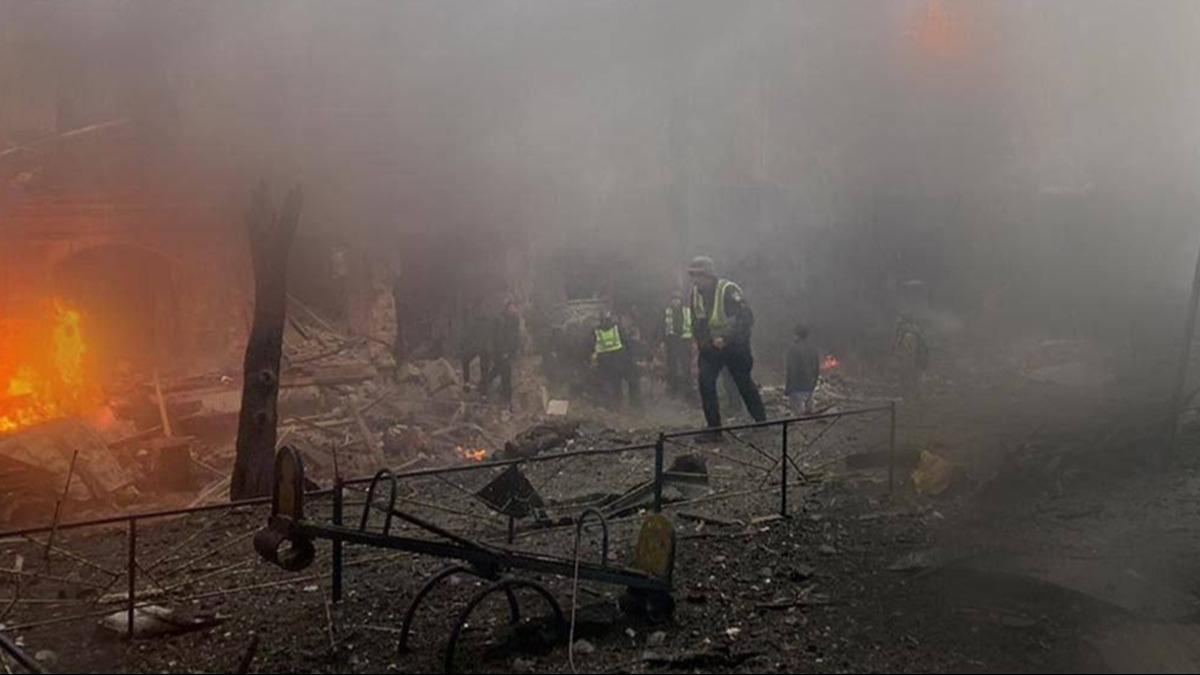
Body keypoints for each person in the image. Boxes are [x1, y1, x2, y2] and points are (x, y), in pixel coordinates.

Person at [687, 255, 766, 430]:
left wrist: (726, 339)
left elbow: (746, 319)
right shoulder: (695, 295)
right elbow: (696, 321)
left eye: (699, 276)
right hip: (711, 348)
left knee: (743, 383)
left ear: (709, 275)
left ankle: (762, 422)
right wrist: (702, 342)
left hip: (735, 347)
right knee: (705, 384)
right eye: (693, 276)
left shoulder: (728, 290)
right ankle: (714, 429)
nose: (696, 280)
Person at [592, 311, 641, 409]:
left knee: (614, 384)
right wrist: (633, 356)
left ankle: (616, 405)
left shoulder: (595, 331)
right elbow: (626, 341)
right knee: (631, 381)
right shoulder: (616, 328)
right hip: (620, 359)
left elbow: (589, 345)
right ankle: (635, 406)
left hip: (605, 362)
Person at [482, 299, 521, 409]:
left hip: (508, 352)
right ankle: (506, 399)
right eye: (512, 307)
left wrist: (515, 351)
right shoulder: (500, 320)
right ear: (508, 307)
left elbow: (515, 336)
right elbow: (498, 338)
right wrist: (503, 351)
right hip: (500, 352)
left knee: (496, 371)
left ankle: (482, 387)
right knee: (505, 375)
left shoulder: (515, 319)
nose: (514, 309)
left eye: (516, 307)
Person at [661, 292, 693, 396]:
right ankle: (673, 389)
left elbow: (694, 325)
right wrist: (661, 341)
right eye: (673, 299)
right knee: (672, 366)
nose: (675, 301)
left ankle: (688, 390)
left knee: (686, 367)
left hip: (685, 341)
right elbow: (661, 327)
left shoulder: (687, 311)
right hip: (672, 341)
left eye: (677, 299)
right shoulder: (667, 312)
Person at [785, 323, 820, 415]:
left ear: (796, 334)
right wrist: (813, 385)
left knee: (799, 418)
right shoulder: (813, 349)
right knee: (809, 418)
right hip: (809, 388)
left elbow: (792, 370)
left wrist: (788, 388)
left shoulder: (793, 349)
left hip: (797, 389)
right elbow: (817, 369)